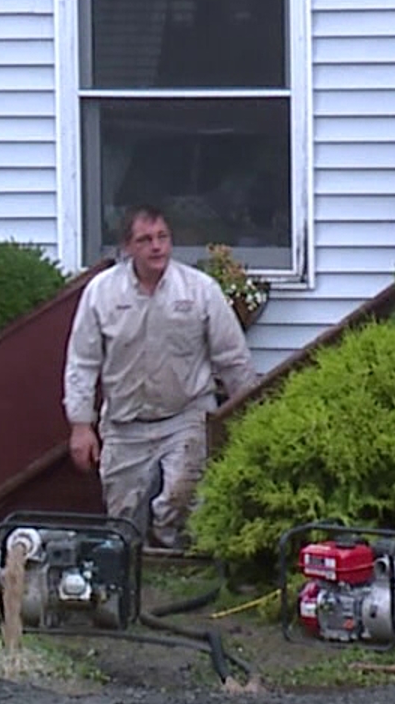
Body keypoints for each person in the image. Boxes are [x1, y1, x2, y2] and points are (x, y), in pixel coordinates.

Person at [63, 205, 258, 548]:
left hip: (186, 415)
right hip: (124, 423)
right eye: (145, 239)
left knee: (182, 498)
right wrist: (81, 425)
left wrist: (250, 414)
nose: (156, 247)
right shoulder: (101, 293)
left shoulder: (200, 290)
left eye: (162, 237)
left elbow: (233, 357)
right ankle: (139, 570)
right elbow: (82, 361)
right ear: (127, 247)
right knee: (122, 523)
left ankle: (180, 562)